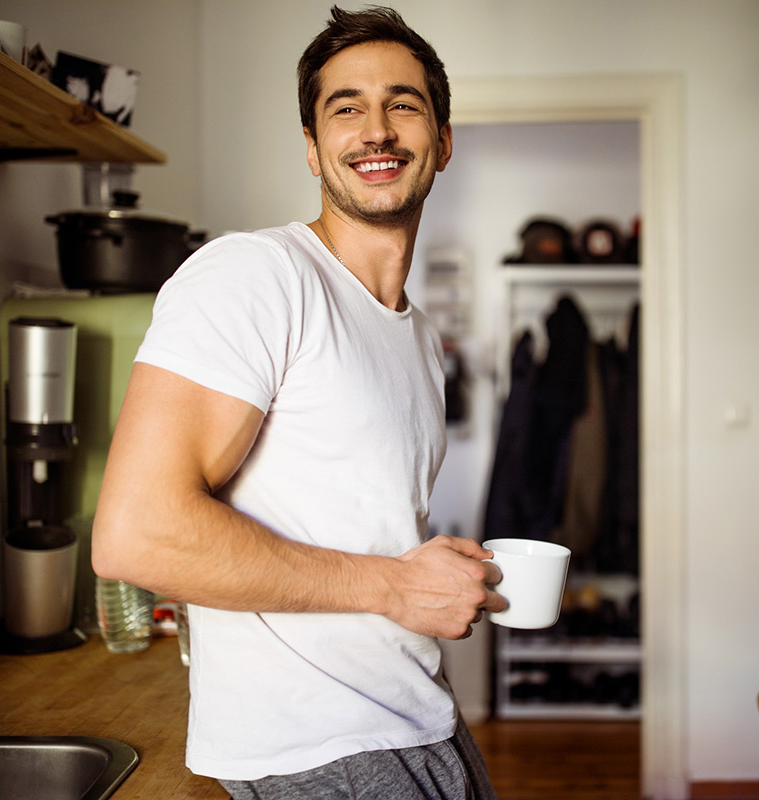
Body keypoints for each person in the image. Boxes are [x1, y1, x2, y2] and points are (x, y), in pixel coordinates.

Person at [91, 6, 506, 799]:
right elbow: (134, 536)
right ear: (314, 149)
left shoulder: (416, 337)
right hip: (324, 754)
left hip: (421, 720)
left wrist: (426, 570)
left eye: (404, 104)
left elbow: (355, 525)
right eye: (345, 107)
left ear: (443, 140)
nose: (376, 129)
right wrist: (393, 585)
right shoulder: (257, 276)